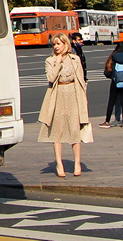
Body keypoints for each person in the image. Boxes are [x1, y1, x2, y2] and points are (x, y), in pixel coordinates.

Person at [38, 33, 92, 177]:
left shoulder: (75, 59)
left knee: (75, 130)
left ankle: (77, 163)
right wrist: (58, 62)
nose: (56, 47)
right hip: (58, 95)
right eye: (54, 44)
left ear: (66, 44)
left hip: (73, 94)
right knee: (57, 131)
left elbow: (81, 79)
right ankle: (59, 164)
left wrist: (83, 98)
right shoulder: (50, 60)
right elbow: (50, 78)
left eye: (59, 44)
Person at [99, 42, 123, 128]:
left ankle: (107, 122)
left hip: (115, 82)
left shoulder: (113, 56)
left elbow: (107, 70)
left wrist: (112, 76)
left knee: (111, 101)